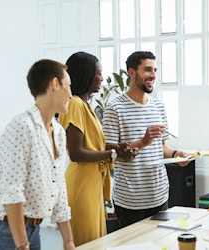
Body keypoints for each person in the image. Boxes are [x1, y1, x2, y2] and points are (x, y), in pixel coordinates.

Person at [0, 59, 75, 250]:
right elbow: (12, 192)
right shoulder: (21, 127)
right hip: (4, 229)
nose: (71, 95)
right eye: (68, 86)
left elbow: (59, 188)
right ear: (55, 84)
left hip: (32, 229)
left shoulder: (59, 132)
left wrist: (68, 241)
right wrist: (22, 246)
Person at [58, 52, 138, 246]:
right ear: (86, 74)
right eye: (99, 73)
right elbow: (76, 153)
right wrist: (113, 154)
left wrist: (117, 148)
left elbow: (92, 144)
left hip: (91, 182)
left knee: (95, 242)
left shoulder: (86, 105)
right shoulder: (76, 103)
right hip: (81, 184)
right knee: (85, 243)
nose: (102, 78)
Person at [103, 51, 189, 228]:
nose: (153, 75)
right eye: (148, 70)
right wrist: (143, 142)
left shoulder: (159, 106)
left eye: (155, 70)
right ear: (131, 72)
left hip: (159, 195)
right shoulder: (115, 108)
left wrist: (175, 154)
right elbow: (109, 154)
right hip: (130, 200)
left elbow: (162, 147)